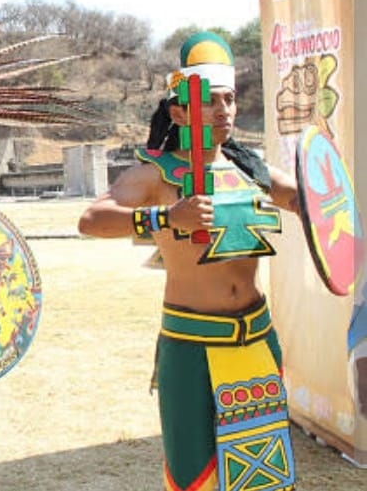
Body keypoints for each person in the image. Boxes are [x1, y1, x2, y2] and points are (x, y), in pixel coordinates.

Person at [77, 32, 301, 491]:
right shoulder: (157, 173)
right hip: (191, 343)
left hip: (256, 338)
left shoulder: (250, 168)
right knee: (193, 473)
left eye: (231, 100)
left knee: (261, 471)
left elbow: (306, 199)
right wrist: (163, 216)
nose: (225, 111)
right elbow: (91, 218)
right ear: (178, 111)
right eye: (211, 100)